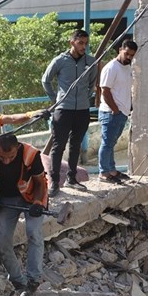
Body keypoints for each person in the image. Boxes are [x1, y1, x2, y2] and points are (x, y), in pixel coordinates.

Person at [0, 134, 48, 296]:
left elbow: (40, 183)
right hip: (6, 199)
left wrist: (37, 203)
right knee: (1, 241)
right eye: (2, 157)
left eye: (11, 157)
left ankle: (33, 280)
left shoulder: (30, 154)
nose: (6, 161)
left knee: (33, 233)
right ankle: (18, 281)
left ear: (18, 148)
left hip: (31, 197)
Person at [42, 29, 97, 197]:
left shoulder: (91, 62)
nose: (84, 47)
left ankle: (72, 179)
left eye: (86, 44)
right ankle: (53, 182)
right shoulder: (60, 61)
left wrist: (84, 99)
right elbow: (46, 80)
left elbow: (92, 83)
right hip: (63, 110)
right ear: (72, 42)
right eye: (81, 43)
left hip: (82, 110)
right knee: (58, 146)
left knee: (76, 145)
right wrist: (55, 99)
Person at [98, 40, 138, 183]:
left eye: (131, 55)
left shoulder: (127, 67)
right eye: (126, 53)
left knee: (111, 143)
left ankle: (112, 170)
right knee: (107, 143)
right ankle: (103, 172)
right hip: (111, 112)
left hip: (122, 112)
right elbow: (105, 90)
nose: (128, 57)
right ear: (120, 49)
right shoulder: (111, 67)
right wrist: (115, 110)